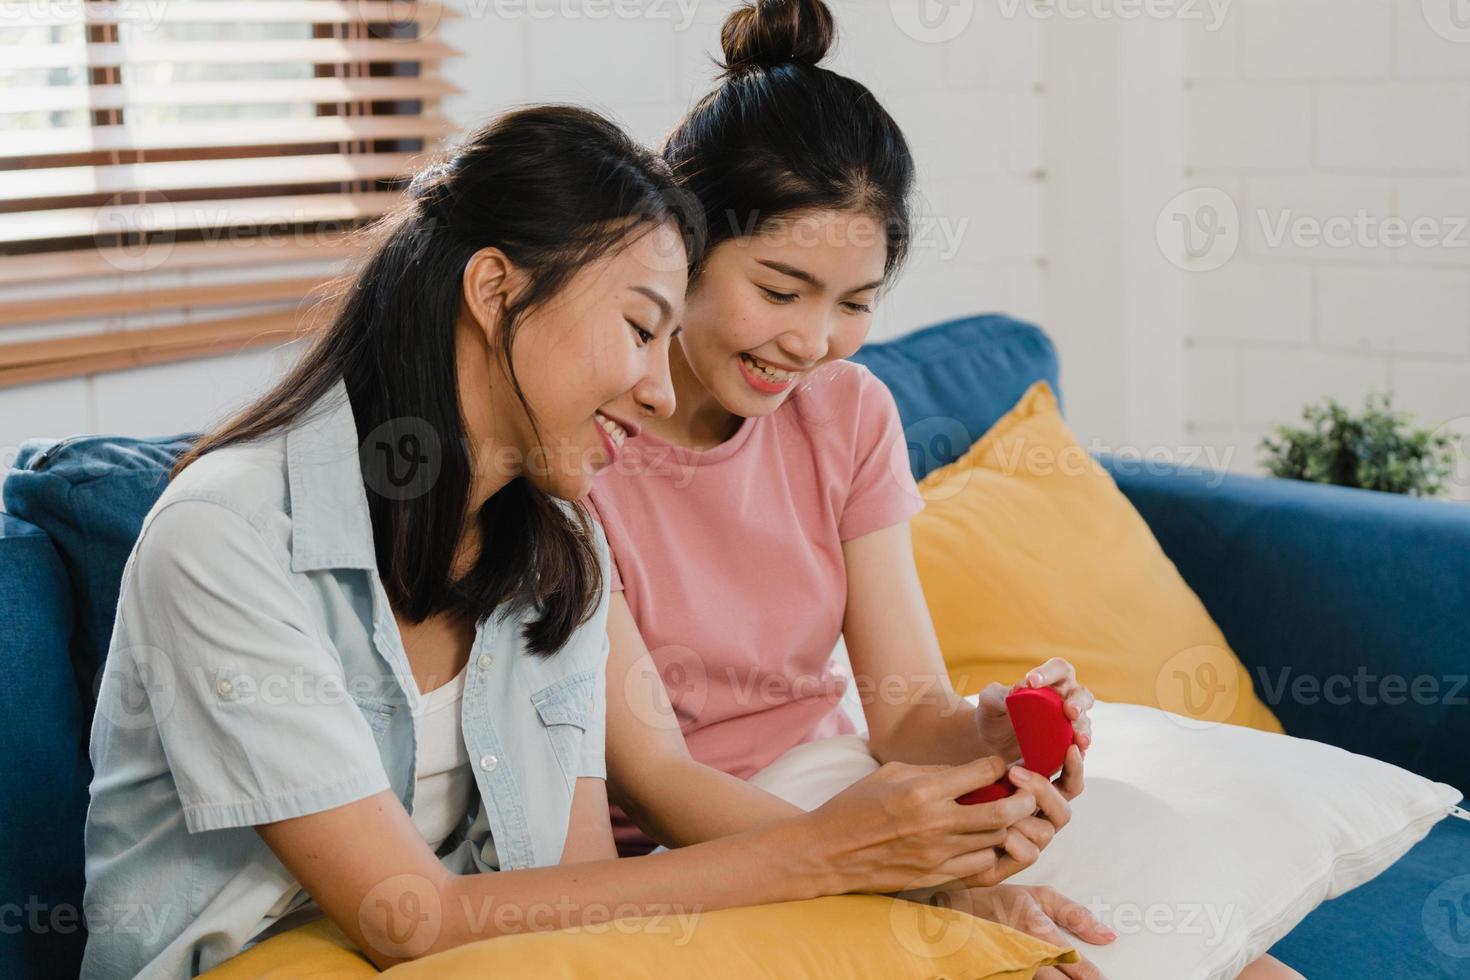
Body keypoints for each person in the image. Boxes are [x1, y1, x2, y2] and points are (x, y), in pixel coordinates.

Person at [81, 105, 1069, 979]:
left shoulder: (556, 550)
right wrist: (836, 854)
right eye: (642, 329)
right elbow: (406, 918)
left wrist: (928, 881)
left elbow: (586, 888)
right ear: (495, 289)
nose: (659, 386)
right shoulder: (228, 536)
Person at [585, 3, 1304, 979]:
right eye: (782, 289)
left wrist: (992, 724)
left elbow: (907, 711)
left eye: (855, 303)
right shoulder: (588, 441)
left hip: (850, 787)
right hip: (706, 851)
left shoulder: (845, 411)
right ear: (683, 245)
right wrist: (915, 874)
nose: (812, 341)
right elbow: (661, 785)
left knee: (1228, 959)